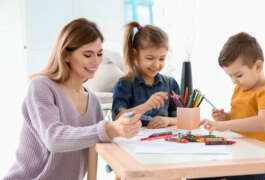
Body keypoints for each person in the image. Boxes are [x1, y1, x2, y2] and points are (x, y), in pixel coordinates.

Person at [4, 18, 141, 180]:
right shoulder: (41, 87)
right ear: (66, 55)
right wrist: (109, 129)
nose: (96, 61)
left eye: (99, 54)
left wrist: (125, 129)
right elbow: (54, 138)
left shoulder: (93, 101)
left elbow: (103, 145)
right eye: (88, 55)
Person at [196, 32, 265, 180]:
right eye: (230, 76)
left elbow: (263, 123)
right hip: (236, 151)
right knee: (198, 173)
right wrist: (225, 117)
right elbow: (243, 116)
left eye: (238, 75)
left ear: (258, 66)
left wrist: (225, 124)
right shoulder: (240, 89)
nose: (234, 81)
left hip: (259, 159)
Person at [112, 21, 180, 129]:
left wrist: (168, 120)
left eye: (162, 58)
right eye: (150, 58)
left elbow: (182, 118)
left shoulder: (171, 84)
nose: (156, 64)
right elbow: (118, 118)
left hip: (163, 142)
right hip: (134, 142)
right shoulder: (124, 85)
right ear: (135, 55)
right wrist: (146, 106)